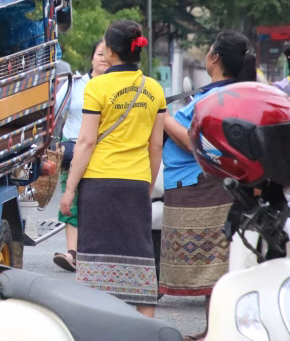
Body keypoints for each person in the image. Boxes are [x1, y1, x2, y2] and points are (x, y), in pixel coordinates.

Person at [59, 20, 167, 317]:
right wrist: (146, 186)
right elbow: (155, 147)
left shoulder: (97, 86)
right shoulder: (154, 89)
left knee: (95, 264)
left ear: (108, 50)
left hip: (99, 185)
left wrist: (69, 190)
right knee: (141, 260)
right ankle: (146, 332)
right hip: (136, 183)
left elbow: (86, 142)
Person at [159, 31, 256, 340]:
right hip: (206, 184)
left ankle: (216, 331)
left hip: (201, 185)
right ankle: (211, 330)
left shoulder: (216, 98)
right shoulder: (227, 93)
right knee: (216, 266)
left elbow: (191, 141)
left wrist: (160, 116)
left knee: (215, 267)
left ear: (214, 58)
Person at [53, 40, 108, 272]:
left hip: (103, 152)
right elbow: (55, 111)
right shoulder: (74, 84)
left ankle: (96, 251)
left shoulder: (116, 87)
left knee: (98, 202)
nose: (103, 58)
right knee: (71, 199)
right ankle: (72, 252)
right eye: (99, 53)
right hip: (74, 150)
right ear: (91, 58)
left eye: (108, 54)